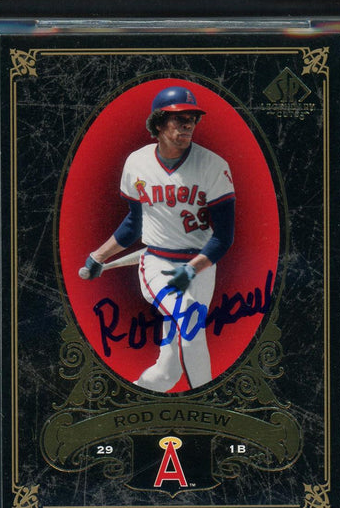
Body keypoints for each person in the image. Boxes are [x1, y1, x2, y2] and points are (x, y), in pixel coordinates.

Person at [80, 85, 235, 392]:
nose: (188, 125)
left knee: (167, 372)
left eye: (192, 118)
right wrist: (99, 256)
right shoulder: (137, 163)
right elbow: (133, 225)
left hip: (202, 268)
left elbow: (224, 236)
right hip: (158, 264)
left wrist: (192, 269)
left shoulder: (213, 165)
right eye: (179, 118)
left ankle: (139, 392)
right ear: (160, 123)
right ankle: (210, 398)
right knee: (190, 321)